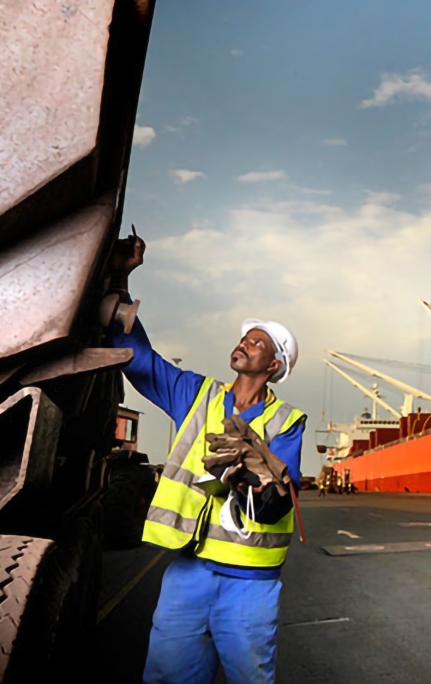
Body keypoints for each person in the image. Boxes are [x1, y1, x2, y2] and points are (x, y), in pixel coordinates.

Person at [107, 233, 305, 684]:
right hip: (188, 571)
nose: (244, 344)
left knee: (250, 678)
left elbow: (277, 500)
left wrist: (252, 469)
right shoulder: (197, 394)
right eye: (244, 338)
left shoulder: (287, 420)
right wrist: (121, 277)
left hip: (249, 583)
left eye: (256, 343)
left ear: (273, 366)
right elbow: (138, 357)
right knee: (168, 677)